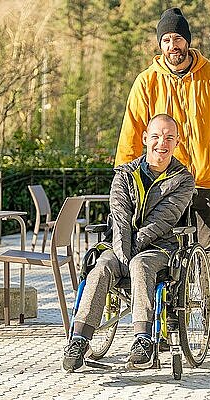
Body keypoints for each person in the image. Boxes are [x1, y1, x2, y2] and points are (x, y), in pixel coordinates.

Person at [115, 7, 210, 354]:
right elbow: (132, 130)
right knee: (165, 253)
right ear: (160, 44)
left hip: (206, 181)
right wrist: (126, 179)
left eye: (178, 38)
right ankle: (169, 327)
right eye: (167, 39)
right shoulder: (147, 81)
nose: (173, 45)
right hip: (163, 186)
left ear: (188, 41)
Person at [63, 114, 195, 372]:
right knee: (101, 267)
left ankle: (143, 339)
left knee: (140, 265)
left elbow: (162, 221)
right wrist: (122, 252)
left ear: (177, 142)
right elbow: (120, 215)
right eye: (156, 136)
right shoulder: (125, 174)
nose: (162, 143)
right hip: (120, 244)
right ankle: (79, 338)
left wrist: (130, 254)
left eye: (169, 137)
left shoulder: (183, 180)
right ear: (145, 138)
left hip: (159, 247)